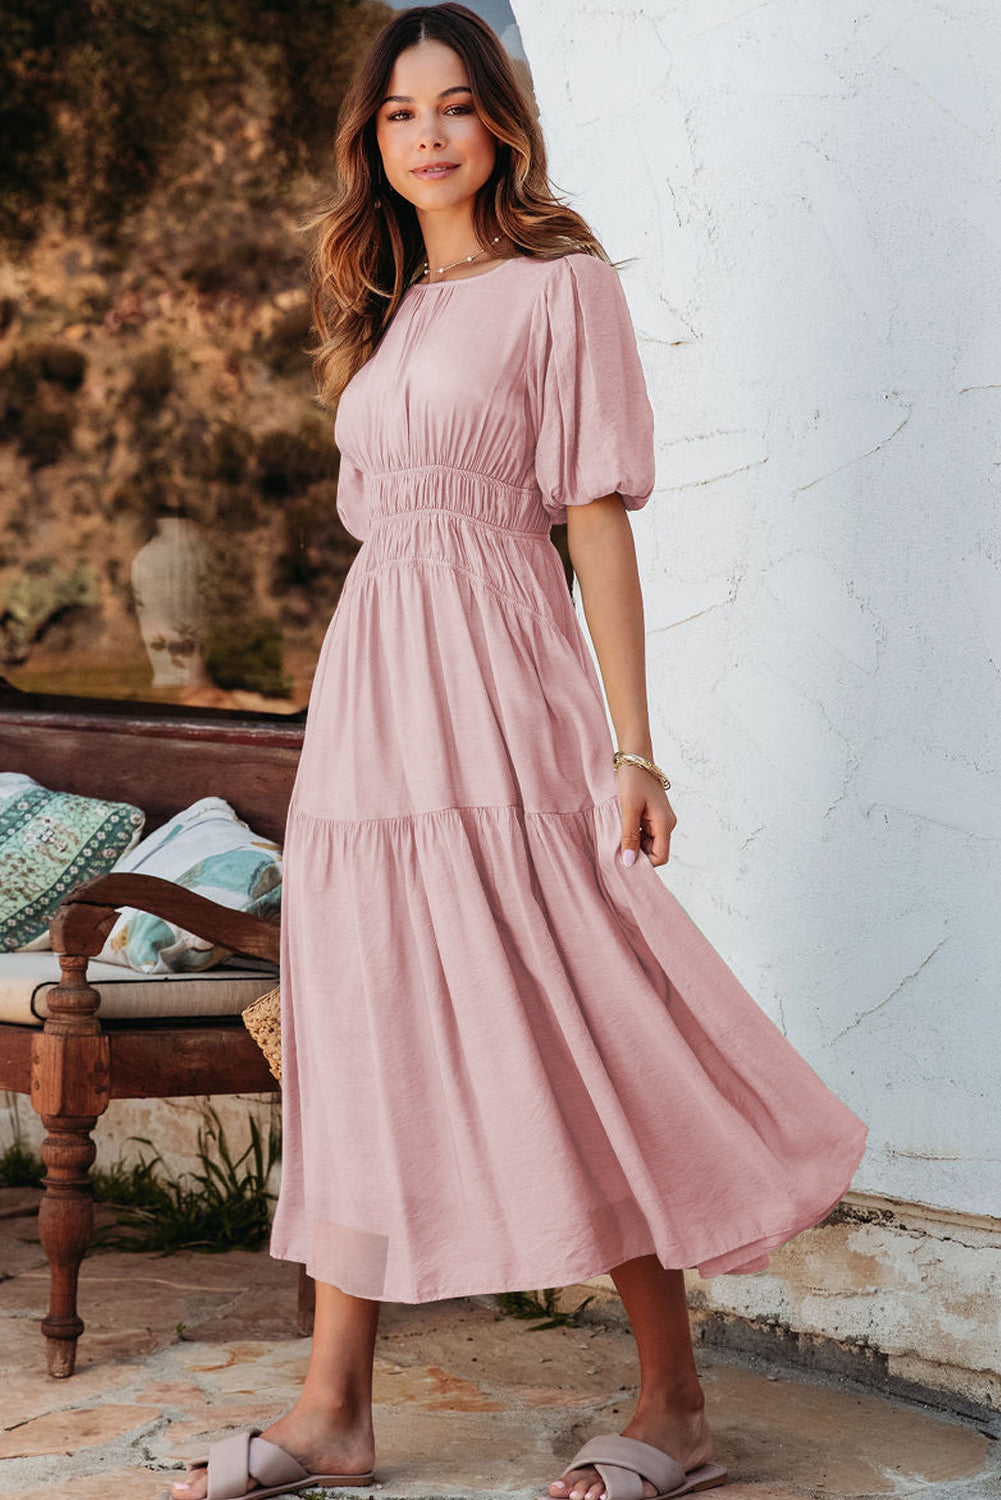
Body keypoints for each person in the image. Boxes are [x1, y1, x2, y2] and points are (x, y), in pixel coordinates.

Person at [168, 6, 868, 1499]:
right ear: (373, 141)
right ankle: (332, 1413)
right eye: (399, 113)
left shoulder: (564, 288)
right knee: (357, 1019)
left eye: (454, 105)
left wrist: (634, 748)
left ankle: (675, 1404)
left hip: (497, 672)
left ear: (500, 122)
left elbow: (592, 519)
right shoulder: (390, 306)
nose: (427, 135)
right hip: (372, 690)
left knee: (562, 1010)